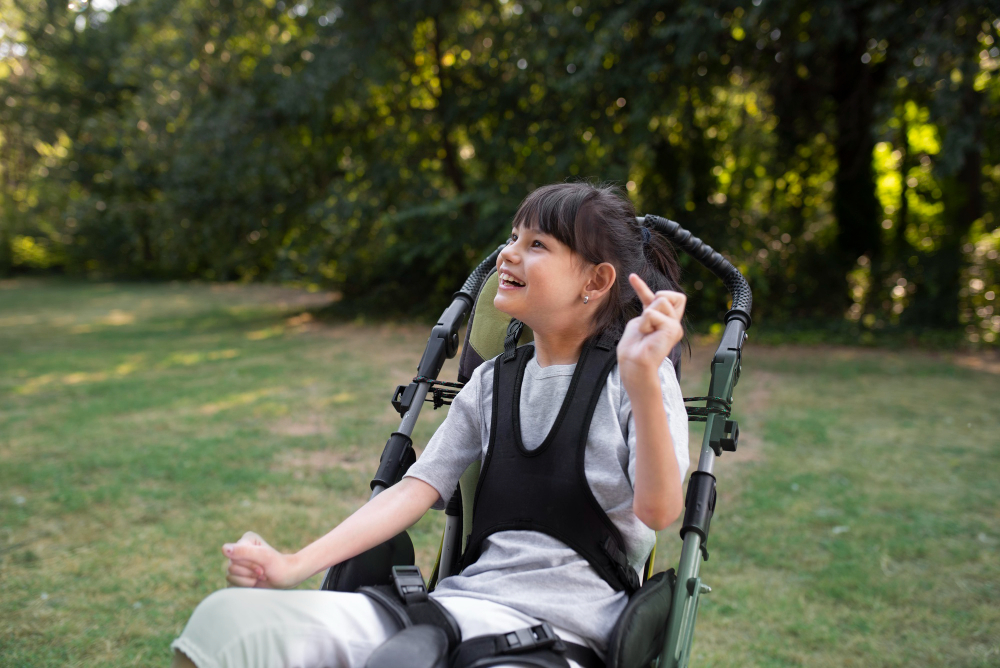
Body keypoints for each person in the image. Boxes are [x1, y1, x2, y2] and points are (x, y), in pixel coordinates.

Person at [171, 182, 690, 668]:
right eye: (513, 237)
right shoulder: (490, 384)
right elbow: (410, 493)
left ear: (596, 280)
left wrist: (643, 378)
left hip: (559, 639)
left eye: (537, 245)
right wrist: (291, 564)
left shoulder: (639, 377)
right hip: (450, 613)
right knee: (225, 622)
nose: (508, 253)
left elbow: (660, 511)